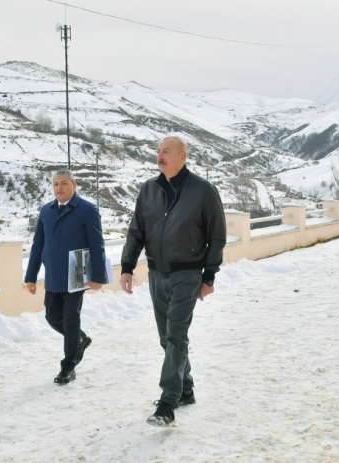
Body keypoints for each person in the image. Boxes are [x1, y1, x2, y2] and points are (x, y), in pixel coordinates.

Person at [120, 136, 226, 427]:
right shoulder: (149, 190)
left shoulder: (203, 190)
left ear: (183, 156)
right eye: (158, 151)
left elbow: (217, 235)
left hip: (188, 274)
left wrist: (209, 276)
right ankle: (186, 388)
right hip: (157, 274)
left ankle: (167, 403)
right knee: (167, 338)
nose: (160, 156)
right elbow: (136, 231)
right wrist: (127, 266)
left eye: (166, 151)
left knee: (176, 334)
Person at [25, 170, 107, 384]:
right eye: (55, 184)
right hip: (52, 274)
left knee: (71, 320)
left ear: (74, 185)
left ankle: (68, 366)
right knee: (52, 317)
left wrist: (99, 276)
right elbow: (37, 245)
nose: (59, 187)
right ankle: (80, 339)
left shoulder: (87, 210)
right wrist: (31, 276)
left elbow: (97, 245)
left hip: (76, 273)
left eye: (63, 183)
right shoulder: (46, 211)